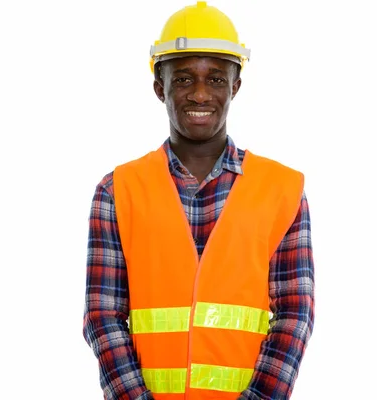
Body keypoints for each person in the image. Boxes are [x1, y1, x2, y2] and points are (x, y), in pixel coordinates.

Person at [82, 2, 315, 399]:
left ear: (236, 86)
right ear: (161, 87)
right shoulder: (116, 190)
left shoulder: (282, 189)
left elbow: (295, 314)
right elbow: (102, 316)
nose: (201, 94)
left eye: (217, 80)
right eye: (185, 79)